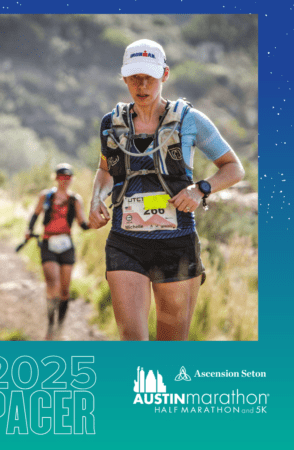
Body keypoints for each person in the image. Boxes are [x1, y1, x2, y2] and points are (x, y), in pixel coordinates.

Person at [89, 39, 245, 341]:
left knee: (170, 349)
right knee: (132, 343)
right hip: (125, 243)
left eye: (149, 76)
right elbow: (105, 170)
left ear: (165, 74)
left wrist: (200, 190)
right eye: (134, 76)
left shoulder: (190, 120)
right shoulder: (111, 124)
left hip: (176, 244)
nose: (142, 84)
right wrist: (96, 199)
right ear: (124, 77)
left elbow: (233, 168)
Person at [26, 164, 91, 340]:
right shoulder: (46, 196)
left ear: (71, 179)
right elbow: (35, 214)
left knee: (64, 291)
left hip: (66, 244)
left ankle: (60, 327)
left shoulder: (75, 200)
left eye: (68, 177)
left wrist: (94, 223)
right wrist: (29, 229)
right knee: (52, 285)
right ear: (56, 178)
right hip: (48, 242)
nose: (65, 180)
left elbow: (82, 223)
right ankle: (50, 326)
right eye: (62, 177)